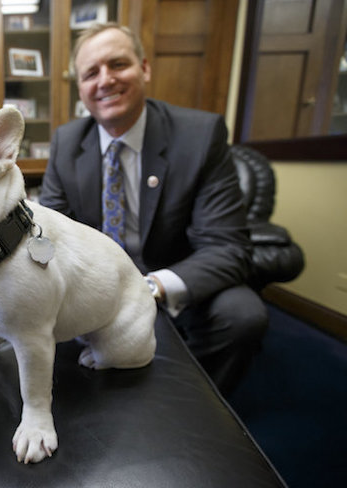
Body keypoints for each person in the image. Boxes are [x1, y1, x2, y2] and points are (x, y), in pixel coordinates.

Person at [39, 22, 268, 396]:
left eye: (118, 65)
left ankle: (195, 402)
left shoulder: (200, 135)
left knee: (242, 316)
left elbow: (228, 248)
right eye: (91, 73)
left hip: (172, 275)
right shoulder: (67, 143)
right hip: (95, 286)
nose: (105, 80)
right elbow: (48, 235)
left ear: (144, 68)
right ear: (80, 88)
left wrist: (149, 287)